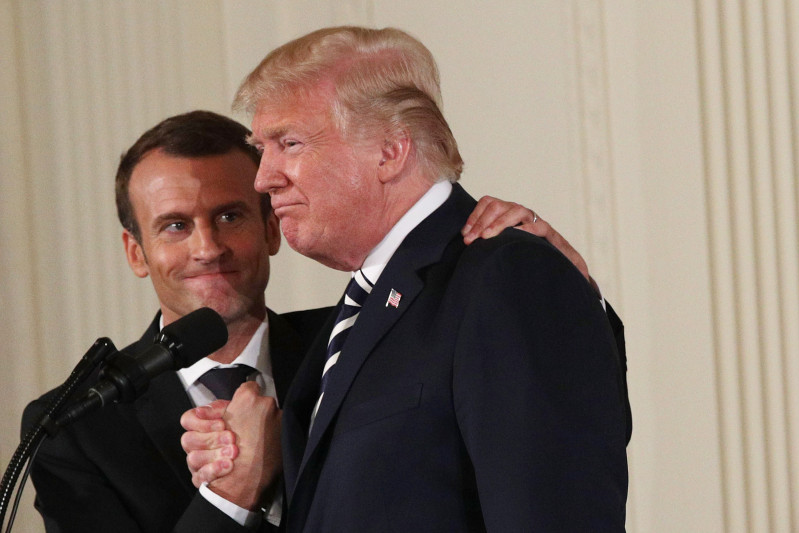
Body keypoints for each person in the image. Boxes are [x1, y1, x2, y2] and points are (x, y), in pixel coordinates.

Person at [20, 110, 579, 532]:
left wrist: (560, 282)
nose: (208, 247)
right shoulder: (75, 426)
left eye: (229, 215)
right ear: (136, 252)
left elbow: (549, 413)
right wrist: (231, 496)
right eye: (174, 226)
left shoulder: (371, 336)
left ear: (271, 228)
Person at [182, 27, 629, 532]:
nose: (263, 178)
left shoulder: (507, 278)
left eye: (290, 143)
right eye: (263, 148)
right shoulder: (359, 313)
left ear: (391, 151)